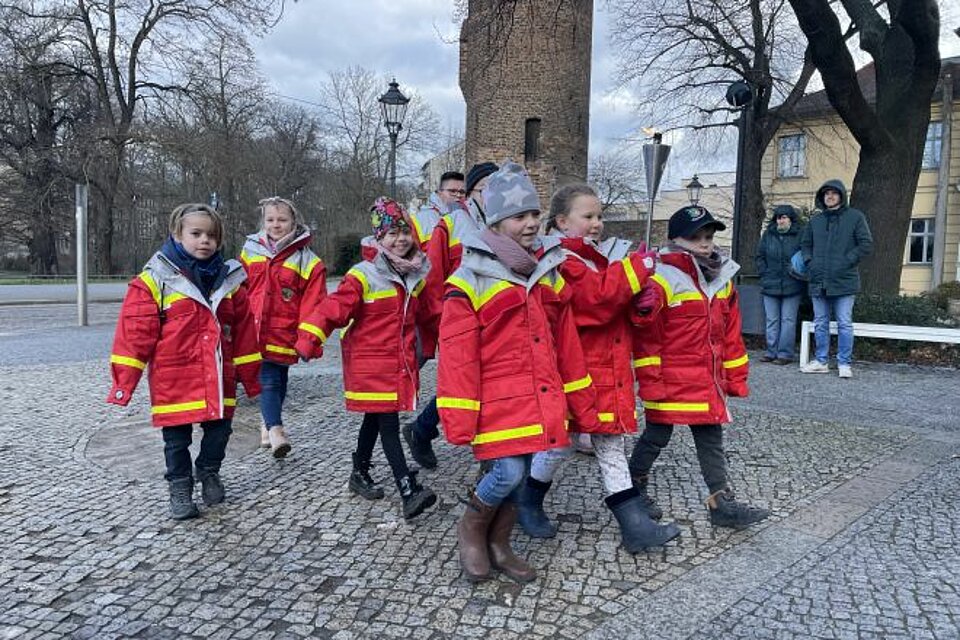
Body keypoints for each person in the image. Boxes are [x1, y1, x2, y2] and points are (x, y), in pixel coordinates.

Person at [437, 162, 601, 583]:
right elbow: (457, 355)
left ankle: (500, 542)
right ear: (494, 221)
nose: (530, 224)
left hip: (539, 396)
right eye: (518, 216)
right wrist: (458, 413)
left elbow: (566, 343)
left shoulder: (547, 272)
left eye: (534, 214)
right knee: (507, 472)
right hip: (495, 400)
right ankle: (472, 528)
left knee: (525, 471)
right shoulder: (470, 277)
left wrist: (581, 402)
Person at [515, 183, 681, 550]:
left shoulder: (590, 258)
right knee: (597, 442)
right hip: (583, 370)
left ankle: (529, 500)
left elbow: (613, 304)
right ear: (562, 221)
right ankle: (631, 524)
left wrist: (640, 303)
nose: (597, 224)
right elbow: (597, 299)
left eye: (599, 216)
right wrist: (638, 270)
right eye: (587, 216)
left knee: (578, 441)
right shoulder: (561, 260)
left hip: (604, 367)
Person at [107, 203, 262, 520]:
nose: (204, 241)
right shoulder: (154, 281)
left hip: (218, 376)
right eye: (196, 234)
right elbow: (134, 335)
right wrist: (124, 383)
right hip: (173, 379)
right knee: (176, 441)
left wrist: (252, 376)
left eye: (211, 236)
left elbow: (245, 333)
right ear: (177, 235)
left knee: (220, 432)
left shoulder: (230, 281)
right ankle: (179, 486)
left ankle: (208, 470)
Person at [629, 205, 770, 529]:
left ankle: (721, 502)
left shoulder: (722, 279)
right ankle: (634, 487)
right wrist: (650, 381)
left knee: (710, 436)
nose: (705, 243)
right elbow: (645, 338)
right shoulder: (660, 278)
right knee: (656, 435)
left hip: (705, 379)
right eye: (696, 238)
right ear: (676, 239)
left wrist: (735, 377)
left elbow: (730, 334)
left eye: (708, 236)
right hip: (669, 378)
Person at [296, 197, 437, 520]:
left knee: (375, 418)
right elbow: (333, 310)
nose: (400, 239)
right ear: (378, 239)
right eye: (391, 234)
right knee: (387, 421)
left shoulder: (415, 274)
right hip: (368, 364)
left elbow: (433, 313)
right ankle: (407, 489)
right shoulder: (363, 275)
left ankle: (358, 472)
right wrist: (309, 338)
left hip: (397, 362)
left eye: (404, 232)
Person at [403, 162, 499, 469]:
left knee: (488, 386)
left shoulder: (506, 225)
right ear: (470, 194)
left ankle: (423, 429)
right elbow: (432, 277)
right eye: (487, 189)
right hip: (459, 322)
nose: (495, 196)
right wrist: (443, 319)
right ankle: (490, 468)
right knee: (464, 384)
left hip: (496, 323)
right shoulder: (452, 224)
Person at [240, 197, 327, 458]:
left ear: (294, 222)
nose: (275, 225)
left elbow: (314, 303)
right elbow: (240, 288)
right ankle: (277, 430)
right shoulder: (251, 250)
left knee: (279, 378)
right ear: (263, 221)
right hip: (255, 330)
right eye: (270, 220)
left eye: (282, 220)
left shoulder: (308, 261)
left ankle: (266, 425)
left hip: (285, 332)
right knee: (267, 379)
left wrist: (308, 338)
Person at [800, 180, 873, 378]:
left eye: (834, 193)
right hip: (818, 279)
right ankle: (822, 361)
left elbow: (865, 244)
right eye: (826, 194)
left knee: (844, 323)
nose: (829, 196)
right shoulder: (815, 221)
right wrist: (810, 262)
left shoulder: (855, 217)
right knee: (821, 322)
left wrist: (846, 261)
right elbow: (805, 245)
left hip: (844, 279)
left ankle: (844, 363)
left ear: (841, 195)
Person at [755, 204, 804, 364]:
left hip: (793, 284)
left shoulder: (799, 235)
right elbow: (760, 256)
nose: (780, 220)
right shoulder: (768, 235)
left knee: (788, 320)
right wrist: (764, 272)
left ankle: (785, 354)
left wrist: (799, 273)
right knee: (772, 320)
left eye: (784, 217)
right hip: (770, 283)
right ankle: (770, 352)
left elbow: (805, 256)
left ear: (790, 219)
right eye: (778, 217)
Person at [409, 170, 466, 250]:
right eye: (452, 191)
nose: (458, 195)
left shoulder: (466, 217)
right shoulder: (423, 219)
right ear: (440, 191)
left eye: (462, 192)